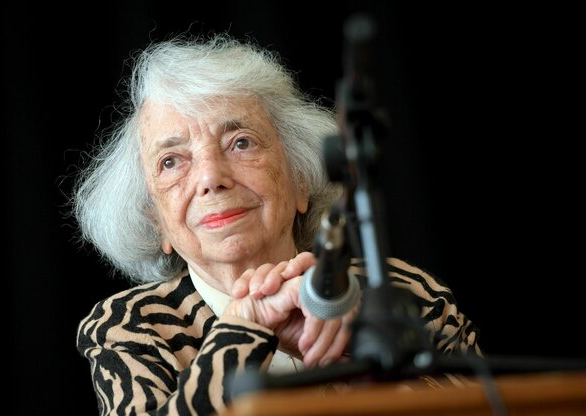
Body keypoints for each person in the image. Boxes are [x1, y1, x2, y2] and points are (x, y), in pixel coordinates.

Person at [73, 34, 481, 416]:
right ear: (155, 220)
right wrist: (243, 329)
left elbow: (485, 405)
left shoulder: (404, 295)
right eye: (171, 162)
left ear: (300, 178)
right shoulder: (130, 326)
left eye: (241, 143)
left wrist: (355, 360)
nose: (210, 177)